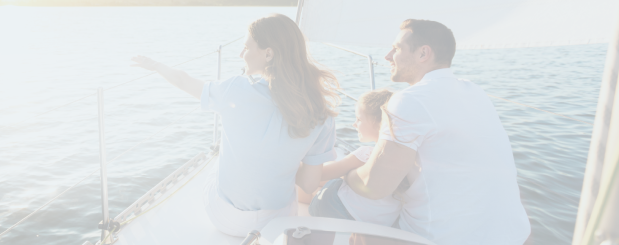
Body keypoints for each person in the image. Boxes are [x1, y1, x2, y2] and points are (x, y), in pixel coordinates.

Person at [130, 13, 340, 237]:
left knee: (217, 160)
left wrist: (155, 65)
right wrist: (282, 162)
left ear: (268, 54)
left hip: (225, 218)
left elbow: (184, 81)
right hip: (277, 222)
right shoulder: (321, 114)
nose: (241, 54)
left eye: (246, 48)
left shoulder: (235, 90)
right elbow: (309, 186)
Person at [342, 19, 531, 245]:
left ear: (423, 53)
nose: (387, 56)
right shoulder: (475, 92)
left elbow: (374, 186)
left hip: (440, 239)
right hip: (515, 236)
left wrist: (346, 174)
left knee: (336, 208)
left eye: (397, 48)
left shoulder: (409, 100)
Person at [308, 89, 408, 227]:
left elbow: (318, 175)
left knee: (322, 183)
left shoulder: (366, 155)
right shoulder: (408, 160)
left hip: (335, 210)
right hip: (378, 225)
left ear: (378, 123)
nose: (354, 124)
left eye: (359, 119)